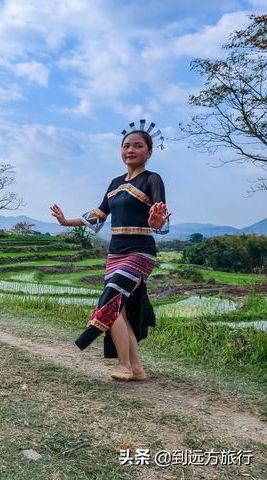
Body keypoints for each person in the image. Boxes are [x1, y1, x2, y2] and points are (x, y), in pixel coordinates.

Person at [50, 121, 170, 382]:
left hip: (140, 252)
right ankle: (137, 368)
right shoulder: (115, 183)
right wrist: (65, 221)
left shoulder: (152, 179)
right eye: (126, 146)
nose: (131, 150)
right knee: (120, 309)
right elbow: (98, 215)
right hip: (115, 254)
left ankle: (124, 365)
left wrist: (157, 220)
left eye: (138, 146)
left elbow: (158, 214)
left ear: (149, 152)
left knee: (111, 302)